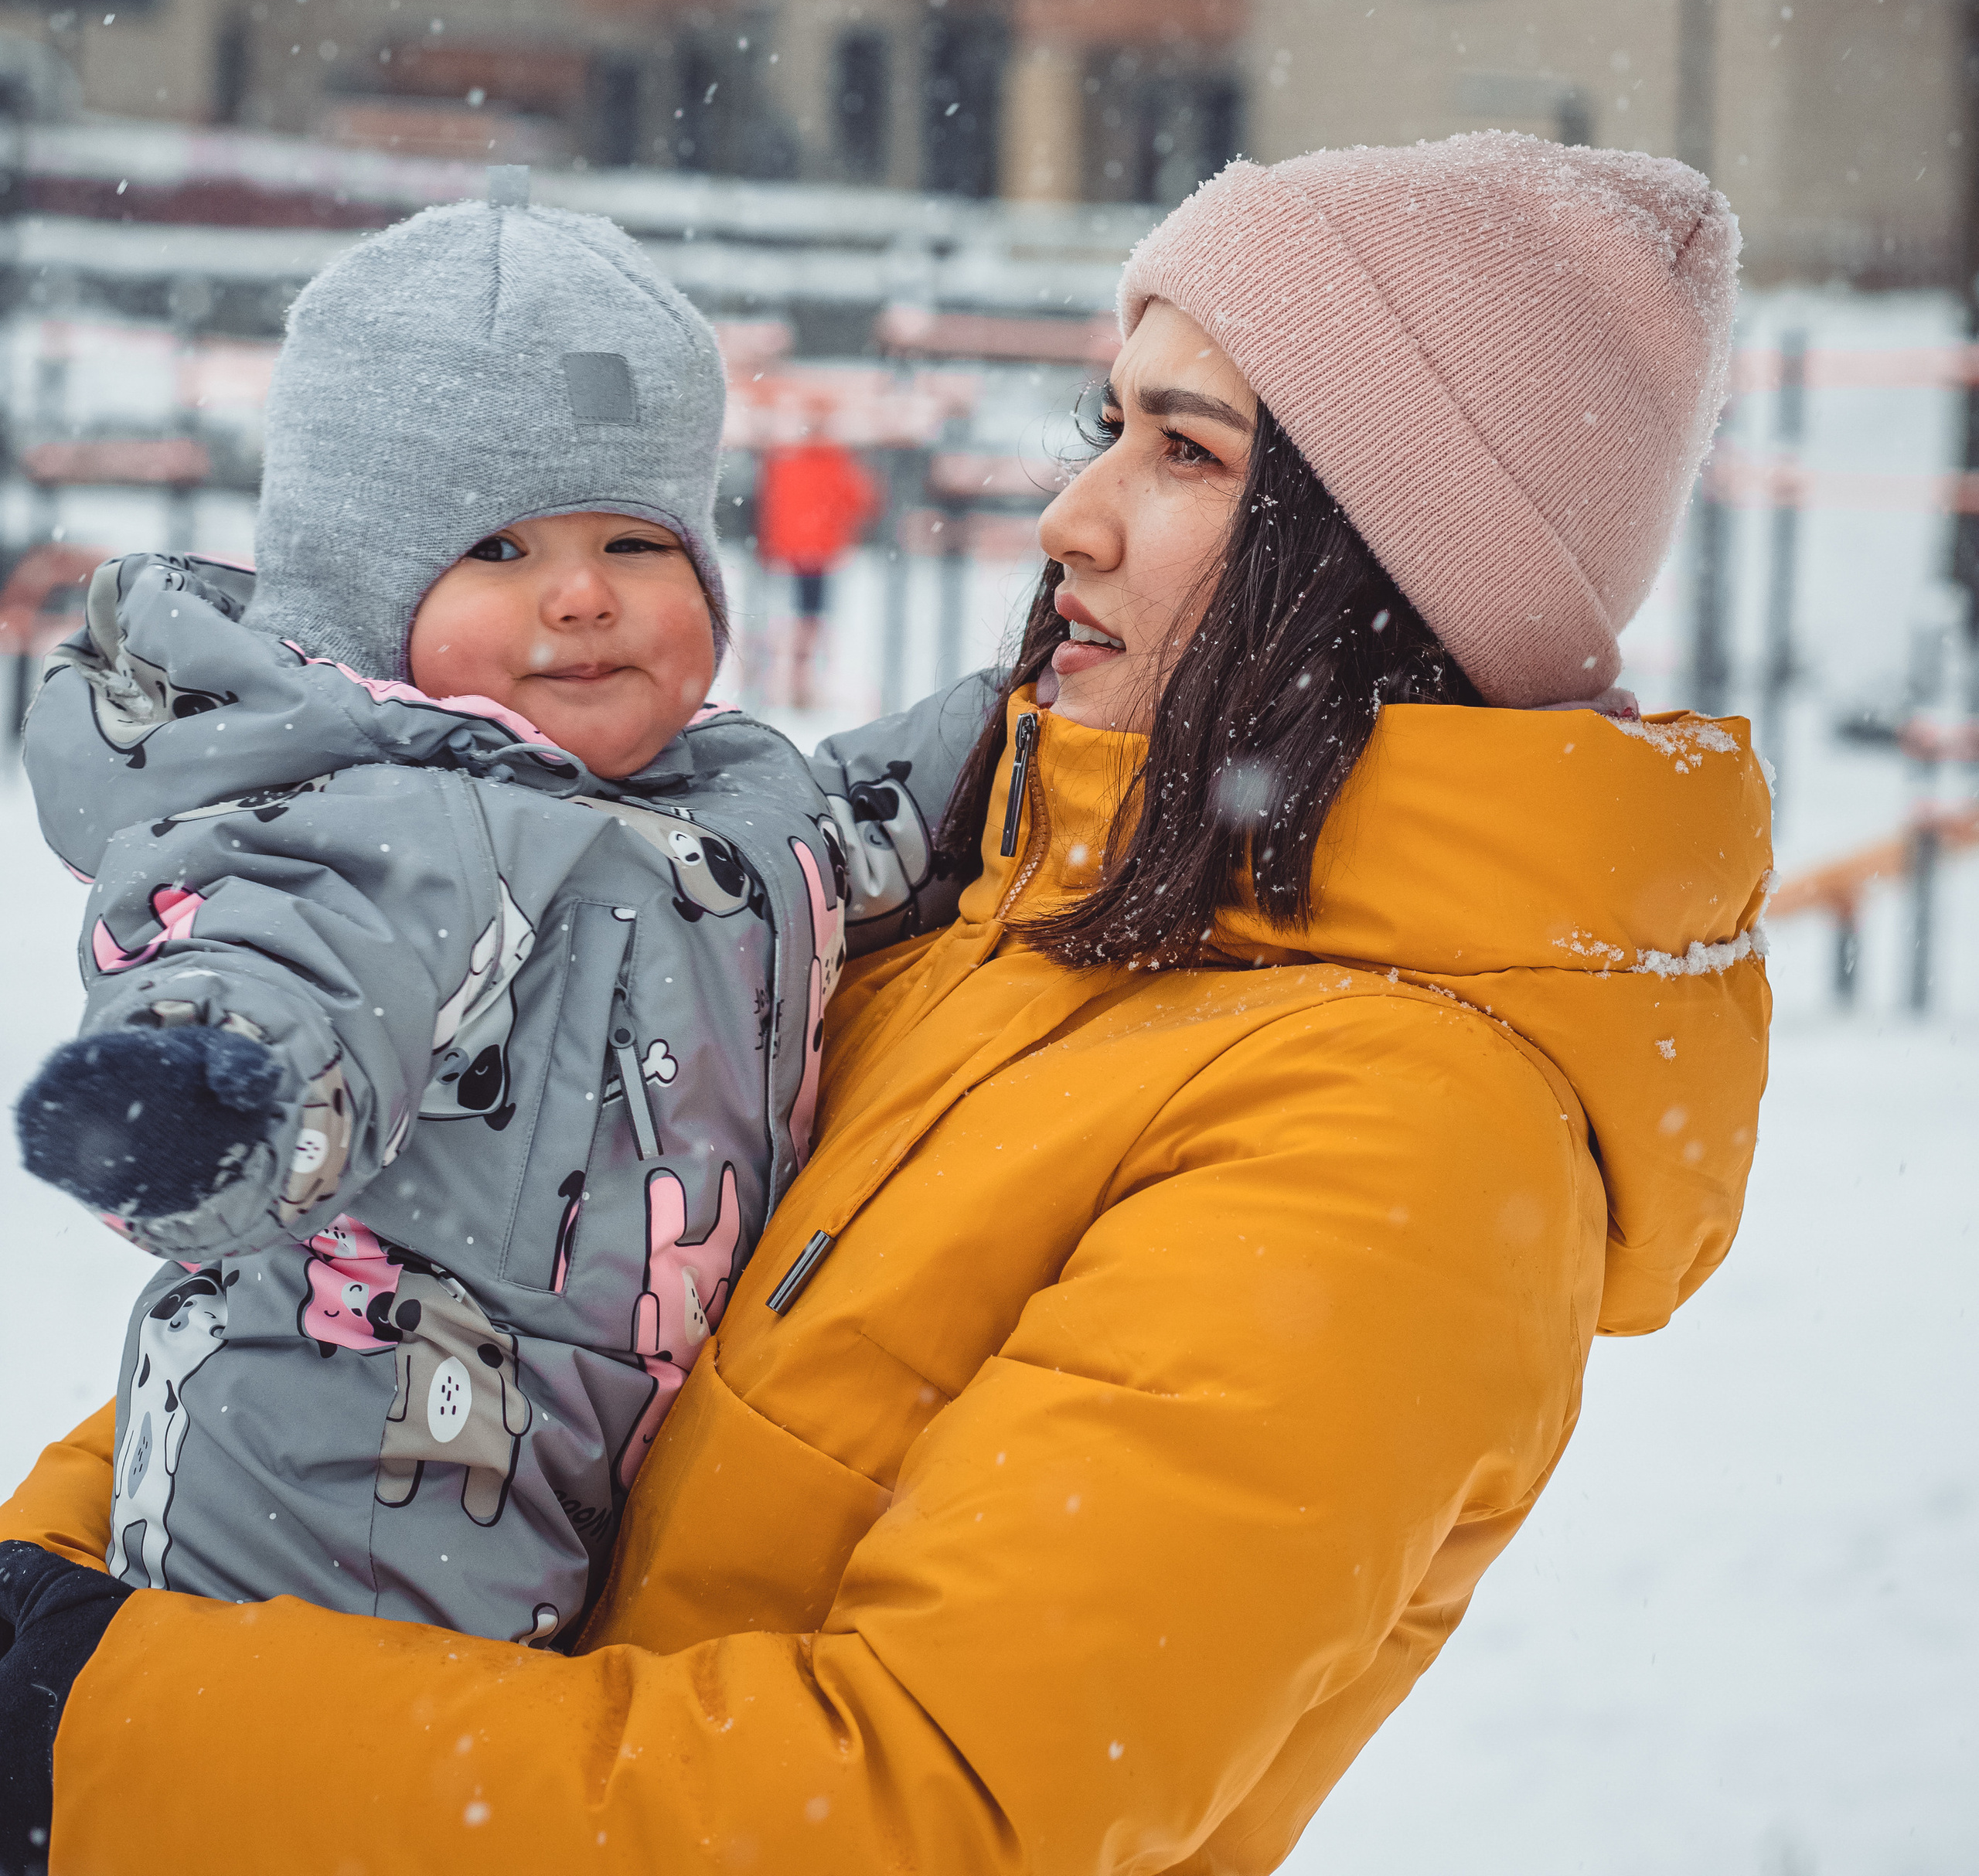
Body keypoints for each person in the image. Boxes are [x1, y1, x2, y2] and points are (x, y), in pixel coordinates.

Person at [0, 133, 1772, 1876]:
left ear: (1374, 557)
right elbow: (393, 1282)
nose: (1067, 511)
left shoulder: (1398, 1144)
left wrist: (98, 1718)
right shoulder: (987, 930)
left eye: (1181, 449)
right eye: (1105, 428)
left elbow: (908, 1815)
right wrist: (72, 1596)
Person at [0, 189, 979, 1675]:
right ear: (366, 595)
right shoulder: (383, 821)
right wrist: (207, 1096)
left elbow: (853, 836)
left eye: (636, 543)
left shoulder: (724, 796)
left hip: (565, 1519)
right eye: (505, 551)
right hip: (329, 1554)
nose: (584, 598)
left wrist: (1023, 727)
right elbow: (297, 964)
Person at [753, 434, 881, 709]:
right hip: (818, 552)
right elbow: (861, 502)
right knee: (811, 620)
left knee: (778, 618)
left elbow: (767, 502)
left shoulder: (781, 455)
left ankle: (772, 678)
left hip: (781, 550)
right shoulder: (837, 459)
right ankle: (803, 681)